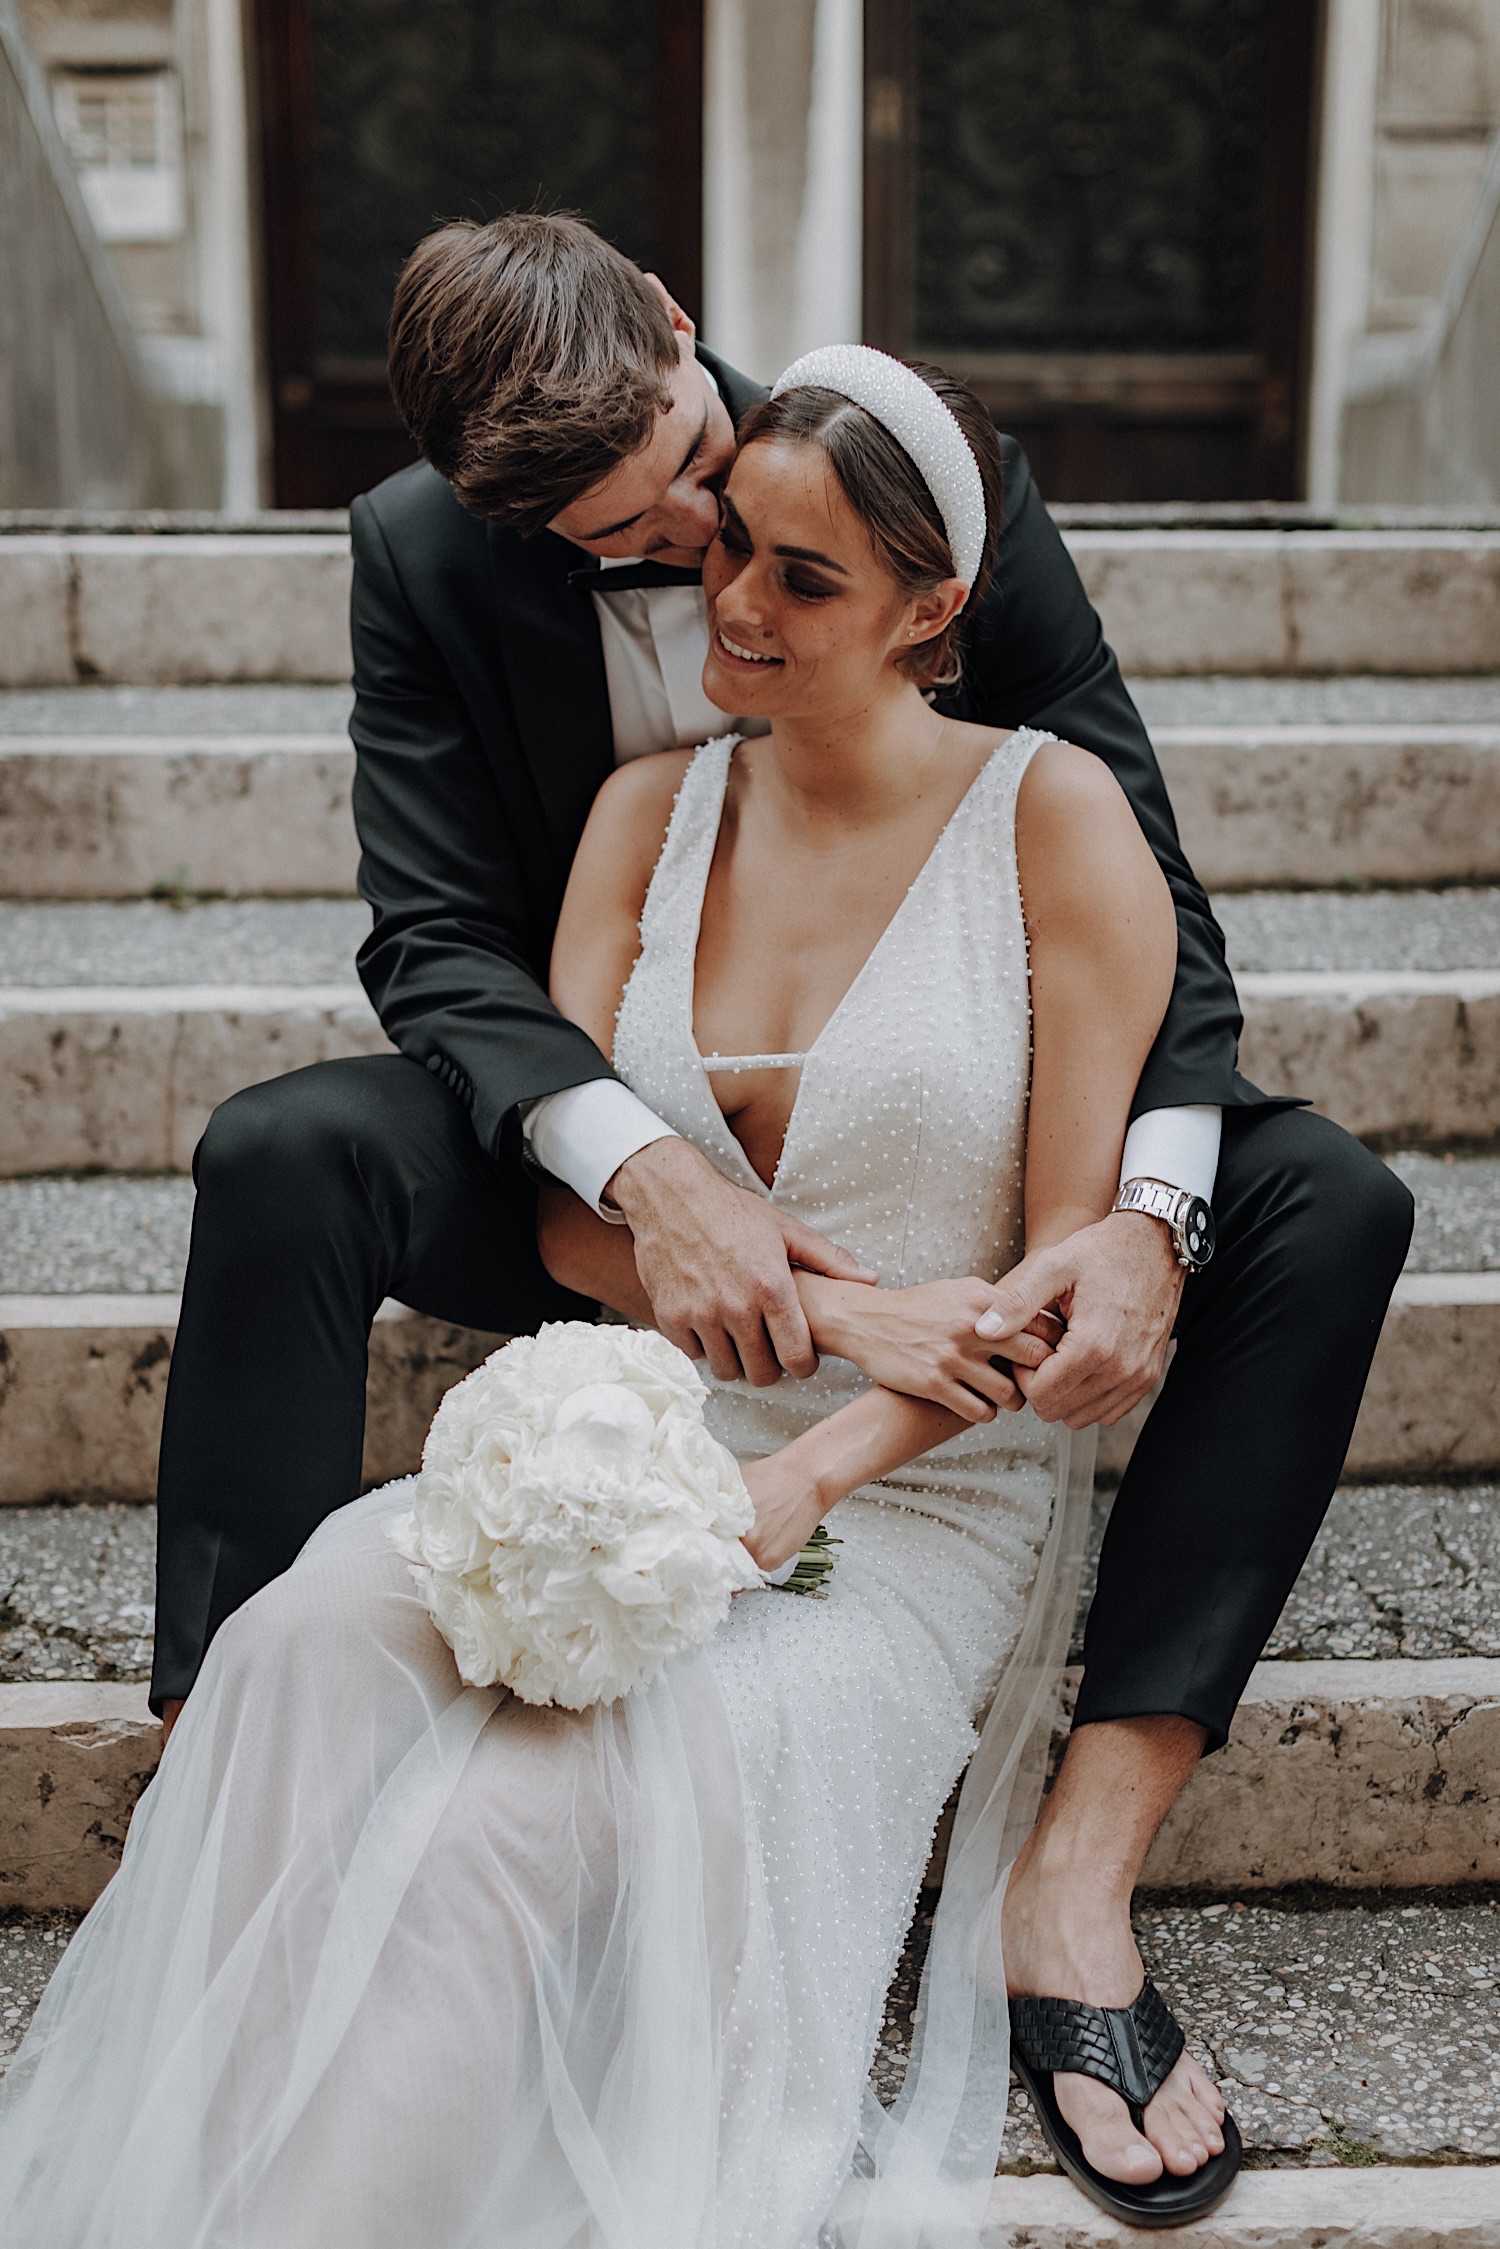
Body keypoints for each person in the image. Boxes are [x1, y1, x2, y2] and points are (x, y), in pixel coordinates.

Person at [147, 216, 1412, 2208]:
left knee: (1327, 1200)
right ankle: (209, 1802)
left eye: (708, 507)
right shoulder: (438, 564)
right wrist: (651, 1183)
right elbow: (434, 941)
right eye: (624, 545)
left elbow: (1156, 904)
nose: (687, 566)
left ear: (676, 323)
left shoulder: (913, 489)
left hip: (955, 1139)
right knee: (284, 1157)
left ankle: (1076, 1888)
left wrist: (1138, 1232)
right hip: (616, 1129)